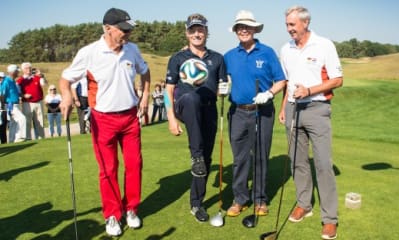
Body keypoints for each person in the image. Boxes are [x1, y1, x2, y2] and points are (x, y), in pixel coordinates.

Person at [59, 8, 151, 236]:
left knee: (134, 165)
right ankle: (112, 214)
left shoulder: (132, 50)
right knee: (108, 169)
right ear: (107, 28)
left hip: (130, 117)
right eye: (123, 29)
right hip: (103, 120)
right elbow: (65, 79)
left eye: (129, 29)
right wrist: (67, 96)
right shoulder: (90, 52)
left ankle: (131, 209)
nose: (127, 33)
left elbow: (145, 72)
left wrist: (146, 97)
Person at [278, 6, 343, 240]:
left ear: (305, 23)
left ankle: (329, 219)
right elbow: (288, 80)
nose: (289, 29)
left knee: (323, 165)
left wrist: (310, 90)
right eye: (287, 25)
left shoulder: (324, 45)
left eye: (292, 25)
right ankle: (304, 204)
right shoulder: (286, 49)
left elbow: (338, 80)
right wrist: (284, 105)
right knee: (297, 161)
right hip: (293, 108)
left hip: (317, 108)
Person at [164, 13, 228, 222]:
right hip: (185, 105)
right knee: (191, 97)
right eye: (193, 30)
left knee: (205, 161)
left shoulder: (217, 58)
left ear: (207, 32)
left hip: (208, 109)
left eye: (201, 30)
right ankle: (196, 154)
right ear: (187, 33)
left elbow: (220, 88)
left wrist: (225, 89)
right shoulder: (178, 58)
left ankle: (196, 204)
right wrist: (171, 118)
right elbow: (169, 89)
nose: (197, 34)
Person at [224, 10, 286, 218]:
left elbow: (281, 80)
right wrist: (221, 88)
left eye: (247, 26)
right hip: (238, 113)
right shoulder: (229, 56)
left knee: (260, 155)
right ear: (236, 31)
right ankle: (240, 199)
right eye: (240, 27)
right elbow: (222, 83)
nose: (244, 30)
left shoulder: (267, 52)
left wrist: (269, 93)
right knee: (240, 158)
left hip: (263, 111)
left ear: (254, 29)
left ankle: (260, 199)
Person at [16, 62, 47, 140]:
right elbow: (17, 92)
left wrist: (41, 75)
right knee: (28, 122)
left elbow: (44, 84)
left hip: (38, 102)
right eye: (26, 68)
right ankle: (28, 137)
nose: (28, 69)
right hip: (27, 103)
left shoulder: (37, 78)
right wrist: (23, 95)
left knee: (40, 121)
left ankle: (41, 137)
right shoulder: (20, 80)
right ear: (23, 70)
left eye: (29, 68)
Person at [2, 65, 27, 143]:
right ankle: (20, 138)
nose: (18, 72)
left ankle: (12, 140)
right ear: (13, 72)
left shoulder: (12, 81)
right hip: (10, 105)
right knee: (22, 119)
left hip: (14, 104)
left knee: (13, 123)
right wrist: (4, 104)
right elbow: (2, 94)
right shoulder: (6, 81)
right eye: (17, 71)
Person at [0, 72, 7, 143]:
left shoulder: (5, 86)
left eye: (3, 78)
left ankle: (4, 143)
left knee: (3, 127)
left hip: (3, 109)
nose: (1, 79)